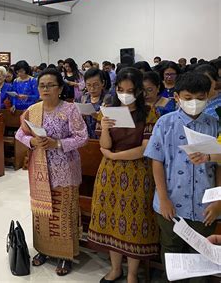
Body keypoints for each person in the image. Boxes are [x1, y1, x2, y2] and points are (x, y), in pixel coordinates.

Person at [144, 72, 220, 283]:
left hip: (205, 206)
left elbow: (219, 166)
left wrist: (218, 201)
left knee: (202, 252)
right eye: (187, 98)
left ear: (208, 96)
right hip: (171, 203)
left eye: (199, 97)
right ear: (177, 97)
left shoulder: (214, 125)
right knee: (171, 250)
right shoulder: (165, 123)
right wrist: (164, 199)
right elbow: (156, 160)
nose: (193, 103)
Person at [88, 67, 159, 283]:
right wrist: (106, 129)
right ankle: (116, 269)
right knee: (111, 220)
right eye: (120, 89)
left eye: (130, 90)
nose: (125, 94)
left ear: (138, 90)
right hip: (109, 175)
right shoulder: (108, 109)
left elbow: (145, 149)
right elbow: (104, 145)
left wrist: (115, 156)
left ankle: (131, 275)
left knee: (134, 223)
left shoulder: (149, 113)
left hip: (138, 173)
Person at [15, 68, 88, 276]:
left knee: (64, 212)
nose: (45, 89)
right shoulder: (33, 109)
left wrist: (57, 144)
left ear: (60, 88)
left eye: (50, 85)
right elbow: (21, 133)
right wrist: (31, 141)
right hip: (40, 170)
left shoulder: (70, 110)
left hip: (65, 169)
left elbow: (82, 137)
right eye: (42, 85)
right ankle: (44, 250)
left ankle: (66, 256)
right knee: (42, 213)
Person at [80, 69, 108, 139]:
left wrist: (99, 117)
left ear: (103, 83)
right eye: (88, 85)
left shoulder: (109, 99)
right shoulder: (83, 98)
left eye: (96, 85)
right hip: (86, 138)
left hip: (103, 138)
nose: (92, 88)